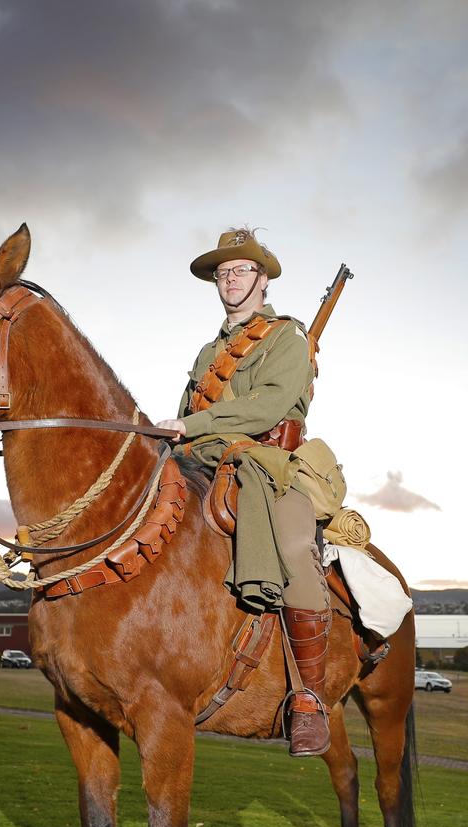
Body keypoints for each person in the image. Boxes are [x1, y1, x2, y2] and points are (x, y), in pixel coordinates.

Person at [156, 227, 333, 756]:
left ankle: (310, 700)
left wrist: (196, 424)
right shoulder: (212, 349)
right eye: (223, 272)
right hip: (202, 458)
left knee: (297, 550)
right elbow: (189, 416)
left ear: (262, 279)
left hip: (270, 463)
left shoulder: (287, 336)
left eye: (242, 270)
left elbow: (269, 406)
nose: (231, 279)